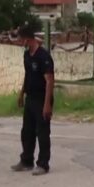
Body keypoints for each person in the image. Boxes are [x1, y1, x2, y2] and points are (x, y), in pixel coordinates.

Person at [11, 25, 55, 176]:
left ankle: (43, 164)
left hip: (42, 98)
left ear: (28, 39)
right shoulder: (27, 55)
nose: (19, 42)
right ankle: (26, 161)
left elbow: (49, 80)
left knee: (42, 133)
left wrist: (47, 104)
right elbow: (27, 75)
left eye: (21, 39)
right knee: (27, 132)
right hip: (30, 97)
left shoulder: (43, 56)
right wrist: (21, 94)